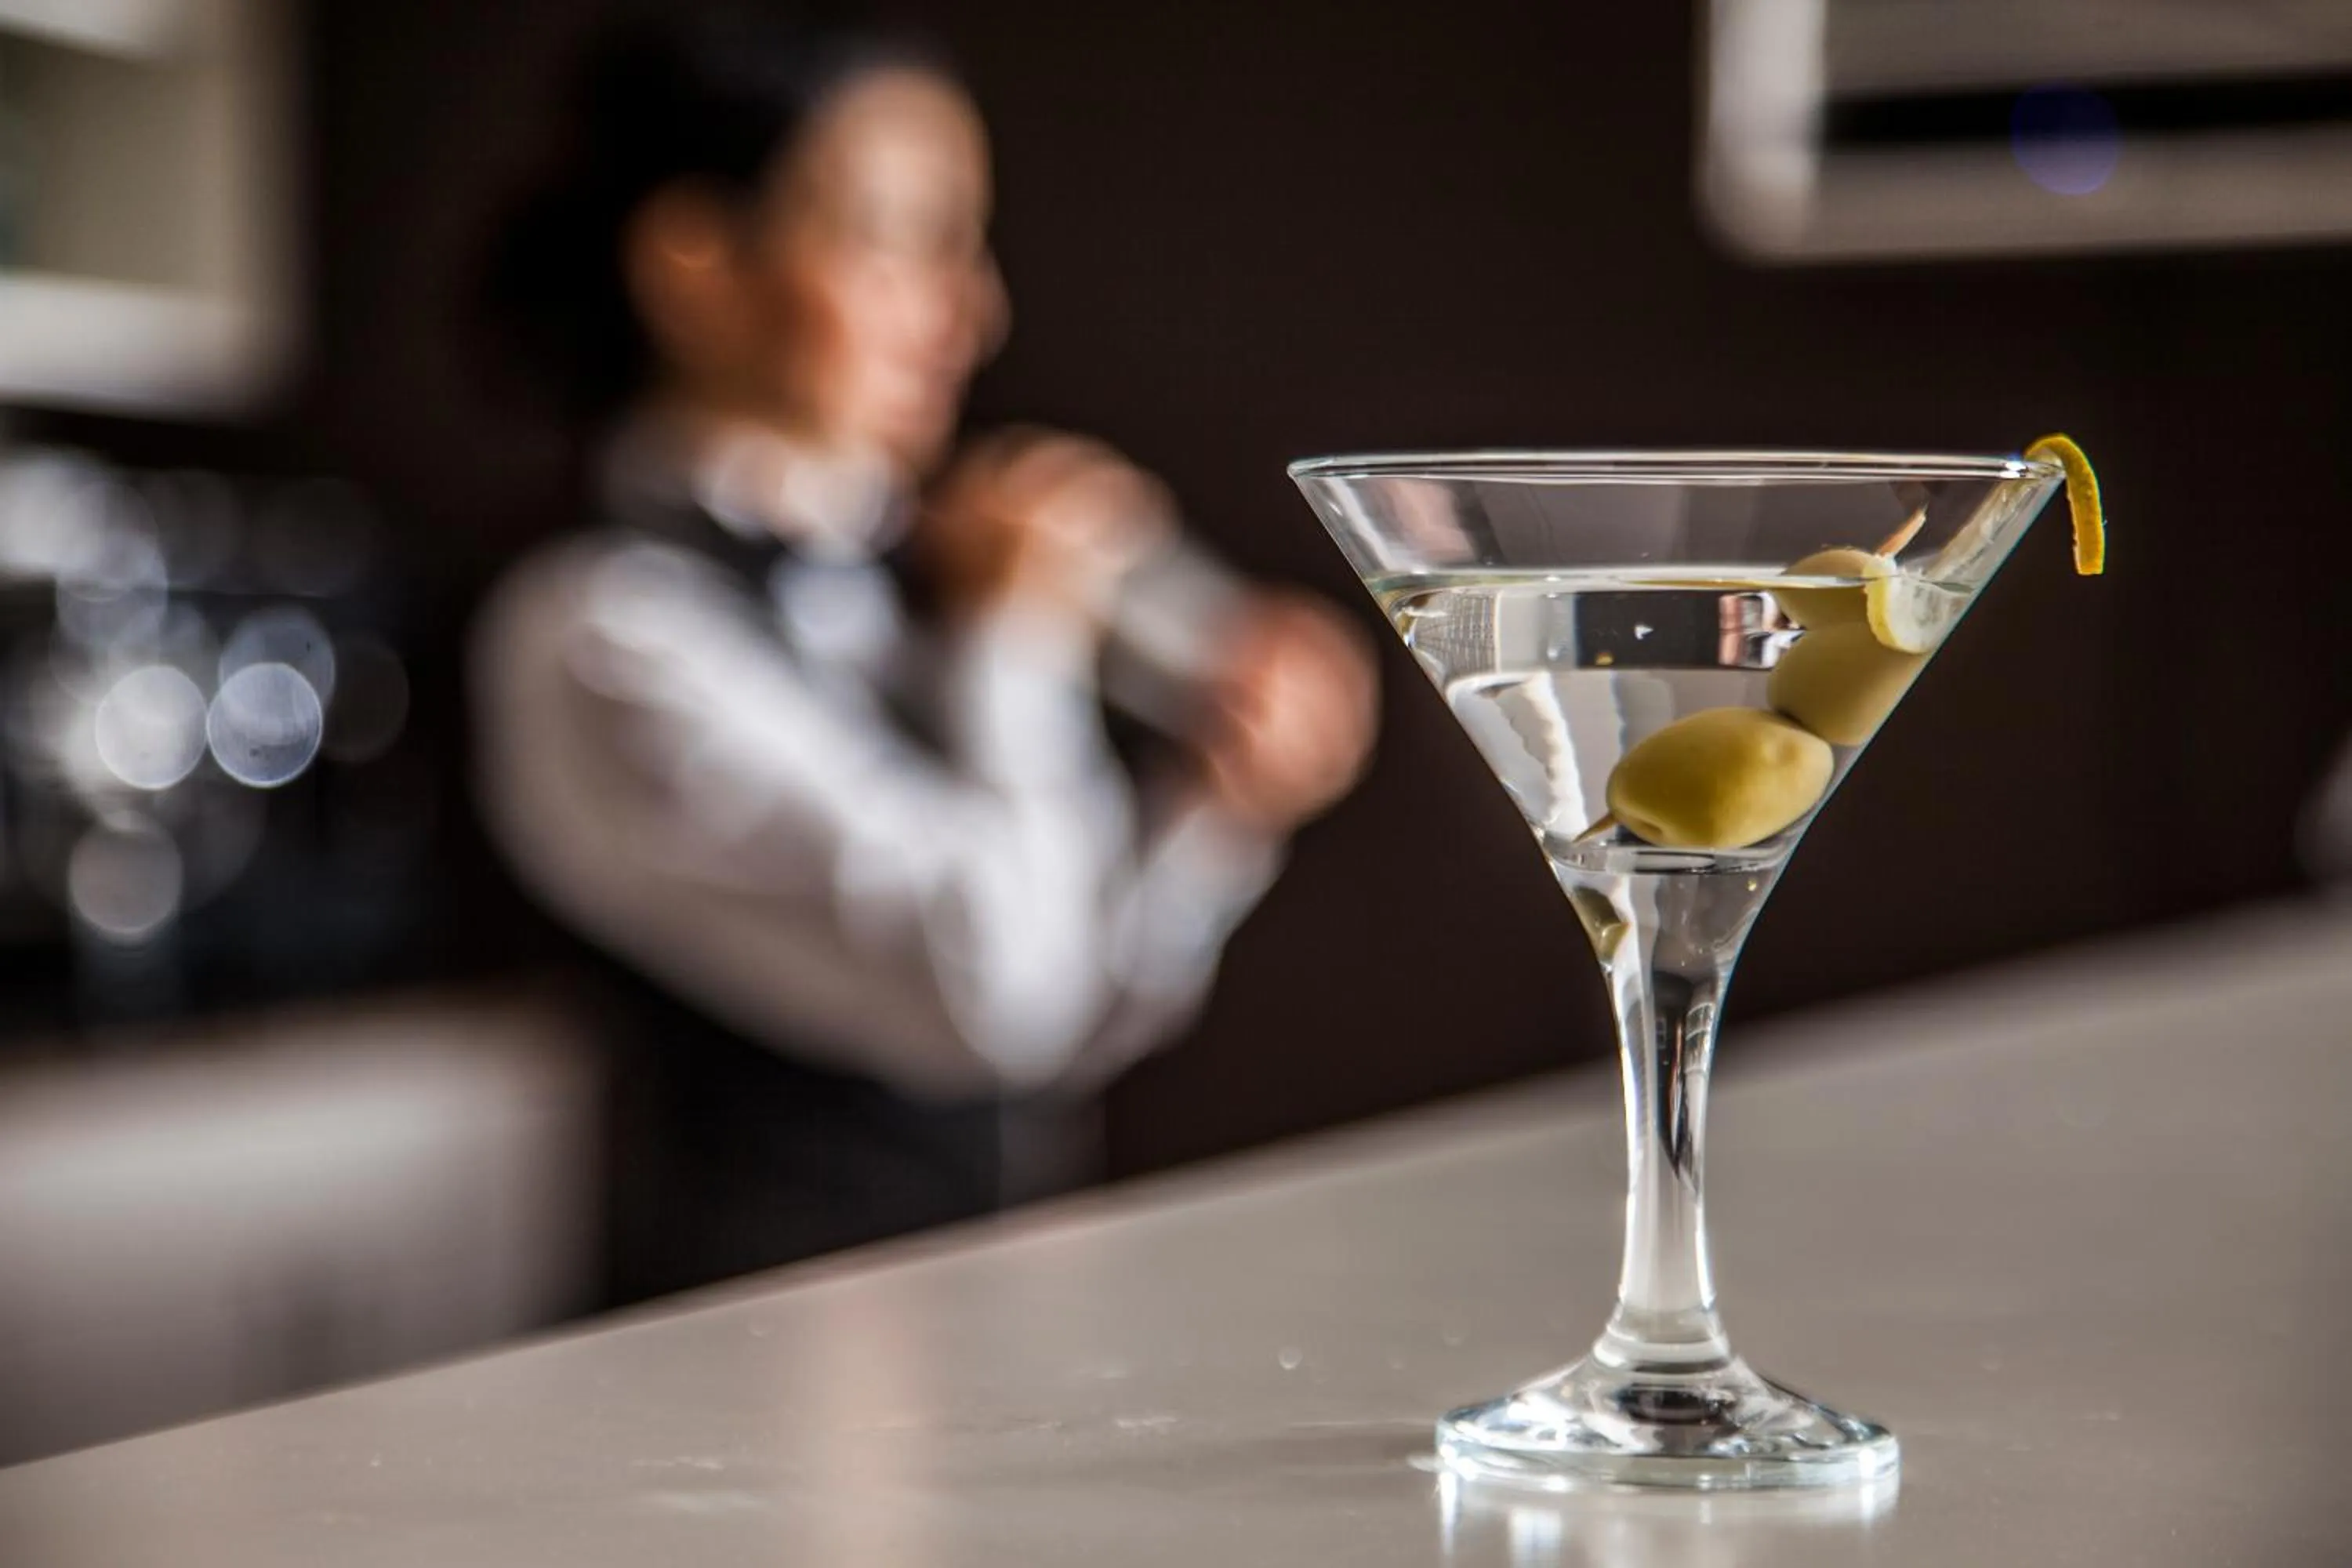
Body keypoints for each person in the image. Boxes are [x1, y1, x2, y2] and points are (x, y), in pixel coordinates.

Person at [472, 6, 1377, 1302]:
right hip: (726, 1372)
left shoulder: (918, 566)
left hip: (994, 1337)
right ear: (696, 265)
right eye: (906, 241)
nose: (975, 312)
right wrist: (1017, 642)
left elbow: (1067, 1025)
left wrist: (1219, 816)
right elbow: (993, 996)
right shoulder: (598, 637)